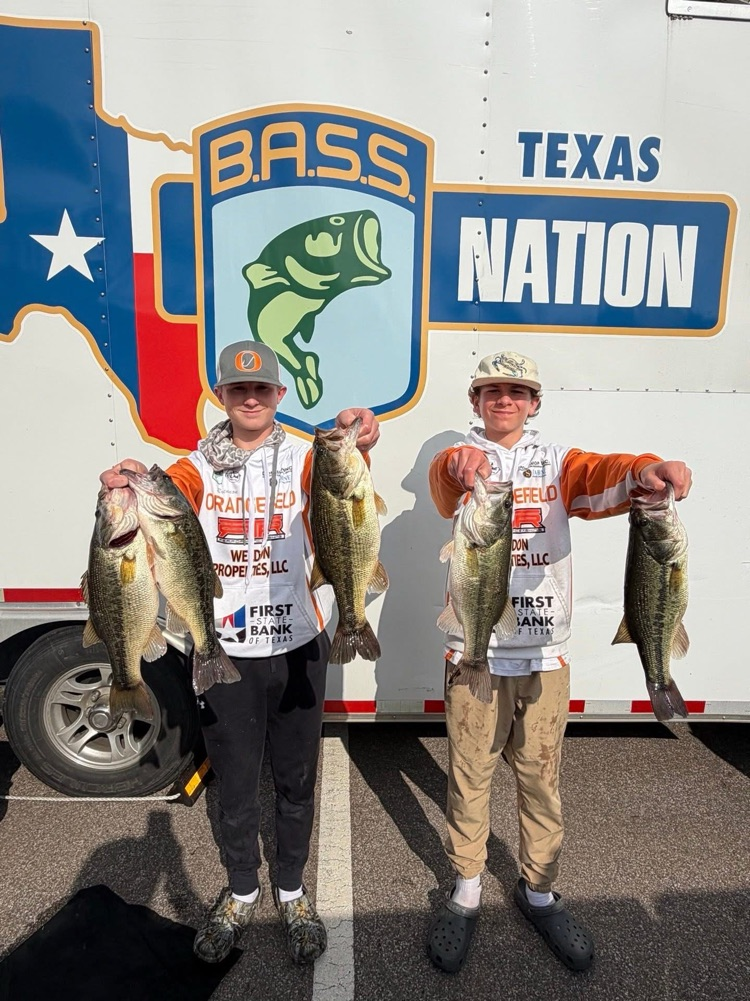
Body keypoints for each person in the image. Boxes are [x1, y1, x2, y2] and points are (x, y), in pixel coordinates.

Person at [100, 340, 379, 966]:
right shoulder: (194, 464)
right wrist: (127, 483)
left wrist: (361, 435)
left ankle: (292, 889)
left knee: (296, 778)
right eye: (237, 390)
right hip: (222, 648)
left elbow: (346, 487)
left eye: (262, 390)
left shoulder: (310, 457)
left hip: (300, 643)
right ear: (220, 397)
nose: (250, 399)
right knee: (232, 781)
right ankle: (242, 889)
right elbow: (165, 493)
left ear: (279, 396)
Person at [425, 350, 692, 974]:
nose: (504, 400)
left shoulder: (557, 460)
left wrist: (649, 471)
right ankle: (465, 890)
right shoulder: (460, 460)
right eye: (492, 391)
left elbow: (606, 476)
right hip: (475, 655)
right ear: (475, 401)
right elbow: (443, 485)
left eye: (516, 392)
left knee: (541, 780)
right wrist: (459, 466)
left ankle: (538, 890)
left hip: (546, 656)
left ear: (534, 402)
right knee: (470, 776)